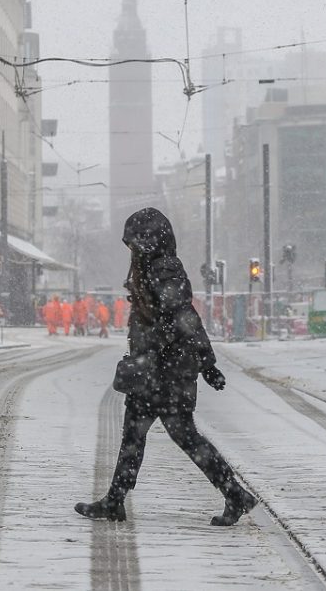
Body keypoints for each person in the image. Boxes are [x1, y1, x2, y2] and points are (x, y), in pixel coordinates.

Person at [75, 207, 257, 526]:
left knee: (178, 436)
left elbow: (183, 317)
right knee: (139, 434)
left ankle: (235, 494)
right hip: (158, 370)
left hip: (166, 371)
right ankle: (116, 500)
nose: (130, 250)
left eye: (134, 242)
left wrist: (204, 361)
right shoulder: (154, 267)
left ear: (148, 242)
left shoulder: (163, 268)